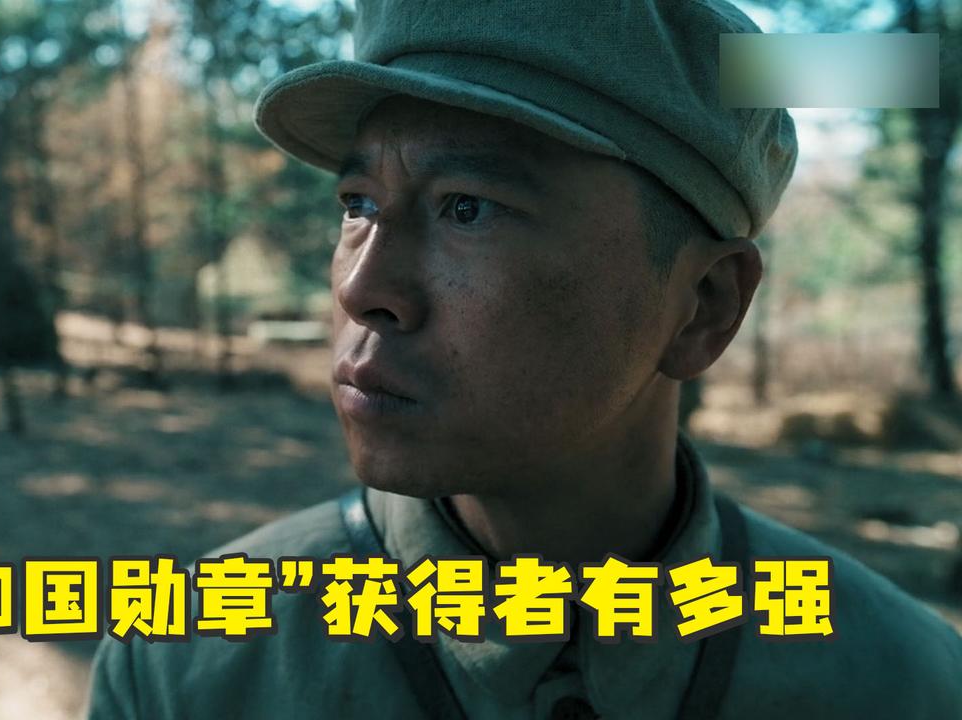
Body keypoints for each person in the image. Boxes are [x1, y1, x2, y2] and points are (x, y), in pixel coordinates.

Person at [87, 1, 962, 717]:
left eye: (467, 208)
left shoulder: (903, 684)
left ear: (705, 306)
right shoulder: (184, 669)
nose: (363, 287)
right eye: (359, 203)